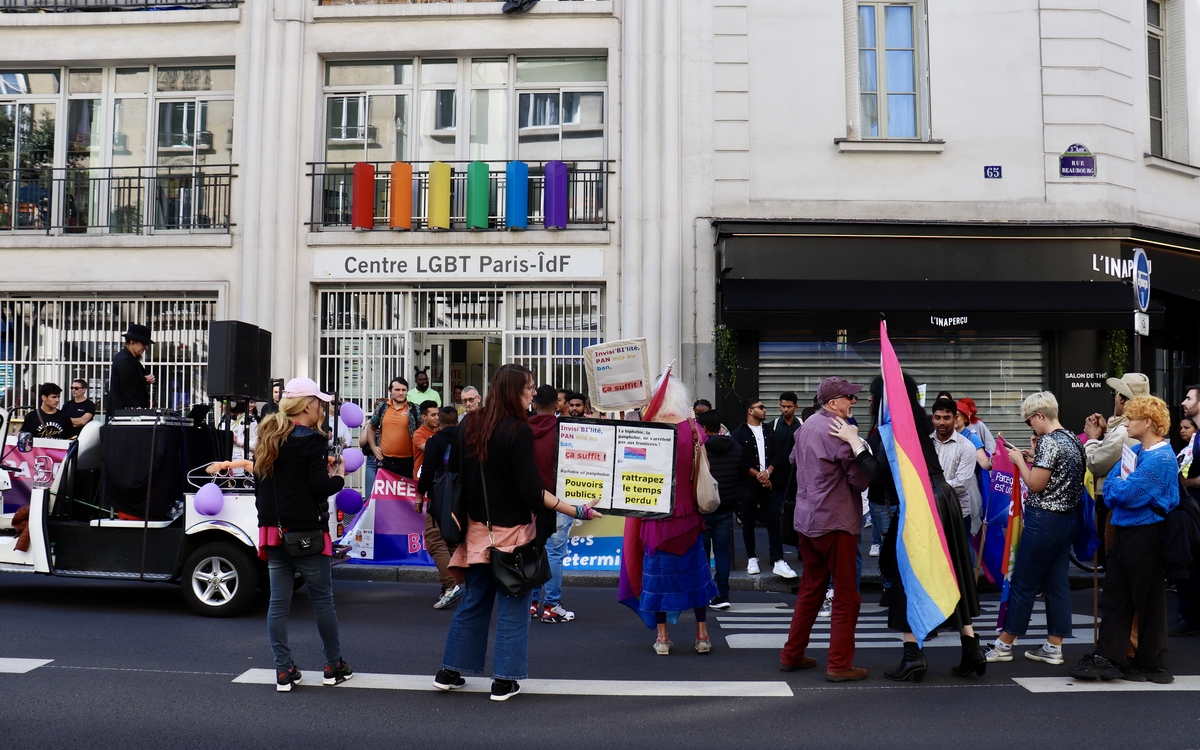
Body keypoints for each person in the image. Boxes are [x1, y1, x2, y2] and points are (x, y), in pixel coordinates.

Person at [433, 364, 599, 702]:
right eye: (529, 387)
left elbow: (456, 475)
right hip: (513, 534)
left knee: (475, 601)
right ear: (514, 391)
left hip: (476, 531)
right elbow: (531, 491)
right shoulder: (517, 430)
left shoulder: (471, 423)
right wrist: (577, 509)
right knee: (513, 605)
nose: (533, 393)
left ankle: (449, 671)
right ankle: (505, 680)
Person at [829, 375, 984, 681]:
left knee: (904, 577)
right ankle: (972, 649)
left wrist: (854, 442)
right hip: (945, 501)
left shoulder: (892, 429)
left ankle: (913, 655)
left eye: (874, 397)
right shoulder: (919, 424)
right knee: (951, 574)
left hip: (923, 504)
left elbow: (876, 475)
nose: (871, 402)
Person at [1070, 396, 1180, 683]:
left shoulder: (1160, 458)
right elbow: (1120, 485)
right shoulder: (1142, 452)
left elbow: (1121, 493)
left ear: (1148, 422)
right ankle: (1110, 654)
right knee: (1118, 596)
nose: (1125, 422)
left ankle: (1151, 660)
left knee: (1146, 599)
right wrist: (1121, 483)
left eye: (1131, 418)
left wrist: (1119, 483)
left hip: (1145, 534)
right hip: (1128, 532)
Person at [253, 377, 351, 693]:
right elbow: (318, 489)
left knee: (278, 603)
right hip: (307, 532)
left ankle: (284, 671)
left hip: (273, 530)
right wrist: (338, 476)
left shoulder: (269, 434)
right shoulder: (311, 440)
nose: (322, 407)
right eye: (319, 402)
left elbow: (266, 487)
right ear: (307, 404)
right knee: (323, 601)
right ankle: (333, 666)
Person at [617, 373, 719, 656]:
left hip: (655, 516)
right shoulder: (693, 428)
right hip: (688, 516)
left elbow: (630, 469)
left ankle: (663, 638)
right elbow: (704, 467)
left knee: (657, 579)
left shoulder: (646, 429)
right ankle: (702, 635)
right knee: (696, 576)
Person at [984, 391, 1084, 666]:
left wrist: (1019, 461)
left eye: (1030, 422)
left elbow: (1036, 484)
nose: (1031, 427)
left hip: (1043, 520)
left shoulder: (1050, 442)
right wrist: (1032, 456)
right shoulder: (1073, 439)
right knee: (1057, 584)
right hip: (1067, 521)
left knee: (1023, 582)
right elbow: (1057, 474)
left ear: (1040, 416)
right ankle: (1054, 646)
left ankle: (1004, 644)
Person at [781, 377, 870, 681]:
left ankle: (792, 654)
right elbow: (860, 480)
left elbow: (794, 459)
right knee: (846, 596)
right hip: (835, 521)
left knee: (811, 589)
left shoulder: (807, 426)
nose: (853, 402)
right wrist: (855, 440)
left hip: (807, 521)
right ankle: (839, 664)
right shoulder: (837, 431)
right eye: (849, 397)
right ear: (833, 403)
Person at [1084, 372, 1149, 561]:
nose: (1115, 398)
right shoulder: (1141, 425)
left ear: (1122, 399)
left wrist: (1093, 439)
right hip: (1134, 497)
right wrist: (1106, 433)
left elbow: (1096, 464)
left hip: (1111, 498)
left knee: (1110, 555)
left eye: (1115, 394)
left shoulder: (1122, 431)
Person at [731, 398, 797, 579]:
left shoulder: (769, 430)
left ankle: (779, 560)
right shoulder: (739, 433)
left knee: (773, 521)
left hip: (768, 484)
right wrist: (758, 475)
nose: (764, 410)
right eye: (760, 407)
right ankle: (751, 558)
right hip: (748, 485)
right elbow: (740, 461)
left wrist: (768, 472)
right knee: (748, 522)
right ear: (750, 411)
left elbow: (777, 455)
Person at [528, 384, 576, 624]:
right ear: (556, 404)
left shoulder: (522, 429)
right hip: (559, 499)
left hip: (529, 499)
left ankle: (532, 601)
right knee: (555, 553)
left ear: (533, 403)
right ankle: (551, 605)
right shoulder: (564, 430)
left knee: (533, 550)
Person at [417, 406, 463, 610]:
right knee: (455, 540)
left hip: (442, 496)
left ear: (440, 422)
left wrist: (420, 495)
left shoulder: (435, 441)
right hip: (465, 496)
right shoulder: (469, 439)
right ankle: (458, 586)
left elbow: (427, 471)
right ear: (456, 422)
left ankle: (451, 585)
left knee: (435, 539)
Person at [699, 409, 740, 610]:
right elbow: (741, 475)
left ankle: (706, 592)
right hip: (727, 507)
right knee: (722, 552)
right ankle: (723, 594)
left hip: (705, 506)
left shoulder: (700, 448)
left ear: (704, 428)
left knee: (704, 552)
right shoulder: (736, 448)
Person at [1172, 385, 1200, 637]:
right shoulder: (1197, 438)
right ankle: (1189, 615)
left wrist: (1184, 483)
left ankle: (1190, 617)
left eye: (1189, 398)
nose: (1183, 402)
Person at [929, 397, 979, 532]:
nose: (941, 422)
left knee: (962, 553)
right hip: (929, 513)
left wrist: (929, 488)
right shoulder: (924, 444)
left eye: (946, 418)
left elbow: (961, 484)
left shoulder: (967, 446)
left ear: (955, 419)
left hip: (957, 513)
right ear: (932, 418)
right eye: (937, 418)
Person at [367, 377, 419, 478]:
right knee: (384, 494)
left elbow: (421, 429)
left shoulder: (414, 409)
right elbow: (371, 427)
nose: (401, 393)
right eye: (397, 390)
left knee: (405, 493)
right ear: (390, 391)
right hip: (384, 460)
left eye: (403, 390)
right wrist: (373, 447)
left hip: (408, 462)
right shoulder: (382, 407)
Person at [106, 323, 154, 416]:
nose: (146, 348)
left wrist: (145, 380)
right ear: (132, 341)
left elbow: (131, 381)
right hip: (124, 415)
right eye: (144, 344)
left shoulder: (131, 359)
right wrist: (137, 410)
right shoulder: (125, 360)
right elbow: (128, 389)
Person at [412, 400, 440, 479]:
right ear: (424, 417)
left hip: (437, 476)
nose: (437, 418)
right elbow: (428, 449)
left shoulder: (440, 429)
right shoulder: (418, 433)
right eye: (433, 415)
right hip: (422, 476)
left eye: (438, 414)